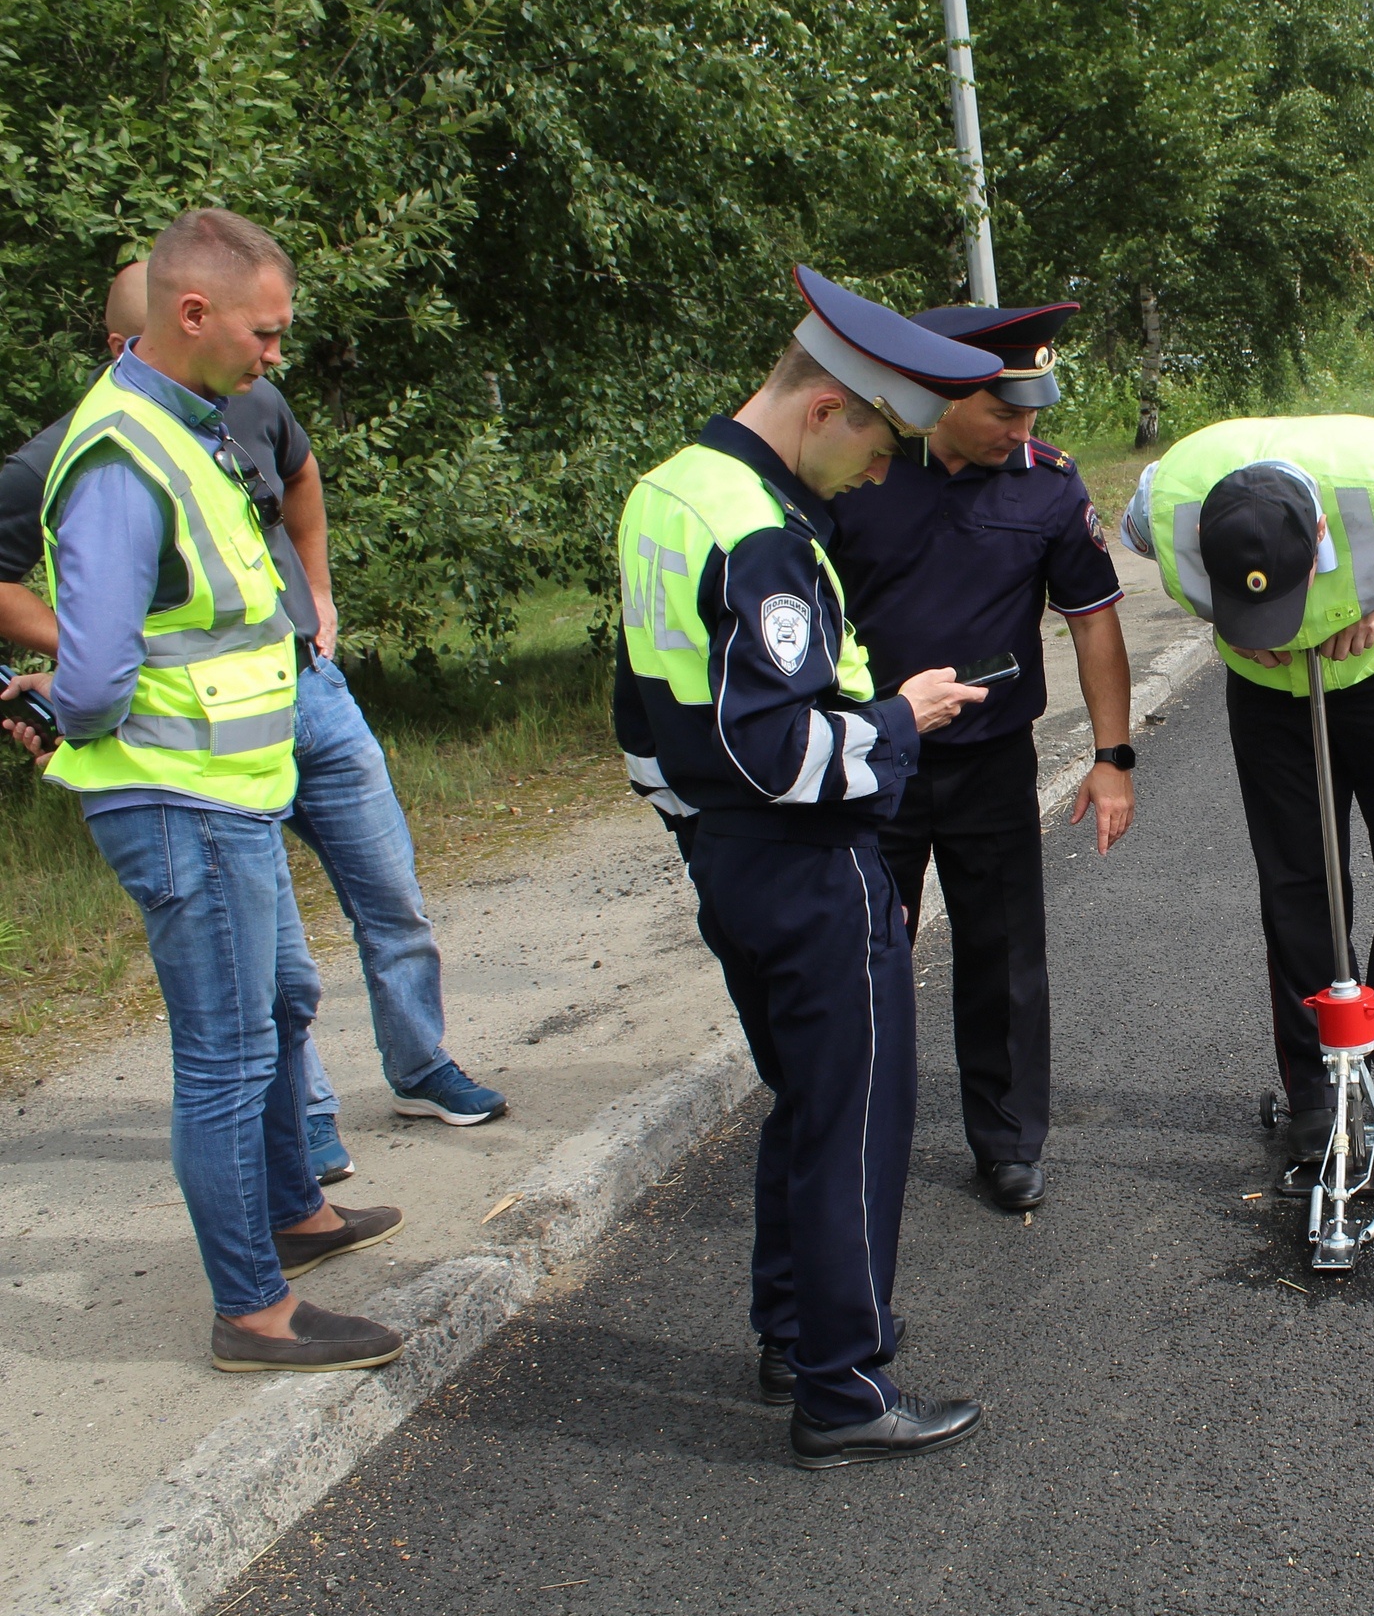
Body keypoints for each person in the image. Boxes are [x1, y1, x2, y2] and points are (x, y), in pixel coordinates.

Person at [612, 265, 1004, 1467]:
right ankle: (842, 1385)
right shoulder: (764, 533)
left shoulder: (670, 490)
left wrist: (704, 837)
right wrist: (898, 722)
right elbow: (781, 748)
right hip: (807, 857)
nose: (886, 471)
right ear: (829, 407)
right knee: (858, 1117)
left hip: (728, 858)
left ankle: (795, 1329)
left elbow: (641, 715)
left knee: (805, 1101)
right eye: (884, 443)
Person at [0, 209, 404, 1372]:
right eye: (265, 333)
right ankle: (252, 1309)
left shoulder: (188, 426)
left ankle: (294, 1212)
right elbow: (96, 671)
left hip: (229, 790)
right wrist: (58, 706)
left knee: (278, 1006)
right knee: (224, 1055)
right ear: (194, 314)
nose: (277, 355)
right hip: (180, 800)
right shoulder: (125, 454)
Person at [0, 268, 505, 1189]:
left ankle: (421, 1065)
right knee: (274, 968)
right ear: (140, 340)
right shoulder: (82, 449)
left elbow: (303, 475)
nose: (270, 358)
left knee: (390, 894)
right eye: (259, 335)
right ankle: (304, 1139)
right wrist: (88, 653)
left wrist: (317, 592)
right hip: (213, 733)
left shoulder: (250, 403)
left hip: (305, 689)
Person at [1121, 415, 1374, 1181]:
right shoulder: (1164, 500)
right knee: (1295, 881)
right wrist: (1236, 620)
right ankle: (1316, 1089)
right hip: (1268, 696)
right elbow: (1140, 544)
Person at [827, 301, 1132, 1213]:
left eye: (1034, 411)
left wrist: (1113, 754)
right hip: (870, 761)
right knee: (863, 954)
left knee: (1002, 956)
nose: (1023, 428)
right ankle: (855, 1135)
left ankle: (1006, 1140)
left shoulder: (1047, 487)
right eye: (1005, 410)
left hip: (991, 760)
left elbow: (1096, 625)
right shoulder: (861, 473)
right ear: (945, 393)